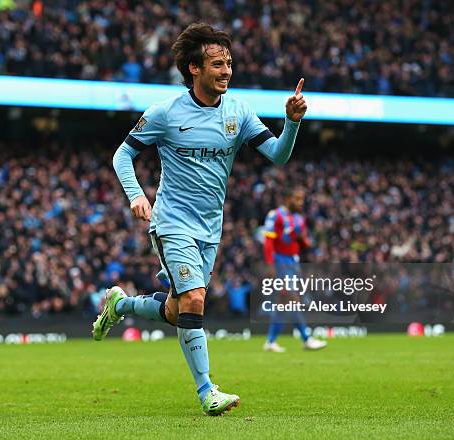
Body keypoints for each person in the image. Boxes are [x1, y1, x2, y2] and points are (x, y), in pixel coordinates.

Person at [92, 23, 307, 416]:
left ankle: (120, 305)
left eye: (229, 63)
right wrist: (137, 195)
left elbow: (277, 155)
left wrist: (291, 121)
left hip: (210, 228)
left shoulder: (239, 111)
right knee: (195, 299)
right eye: (217, 64)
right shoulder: (166, 113)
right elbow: (122, 155)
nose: (226, 71)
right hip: (171, 222)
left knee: (178, 312)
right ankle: (208, 391)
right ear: (194, 68)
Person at [262, 189, 328, 352]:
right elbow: (268, 241)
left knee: (283, 303)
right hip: (280, 261)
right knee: (293, 299)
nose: (300, 202)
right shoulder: (275, 215)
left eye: (302, 199)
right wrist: (270, 264)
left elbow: (303, 244)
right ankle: (306, 338)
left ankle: (271, 341)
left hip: (293, 262)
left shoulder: (299, 219)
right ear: (288, 198)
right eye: (297, 199)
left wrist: (304, 240)